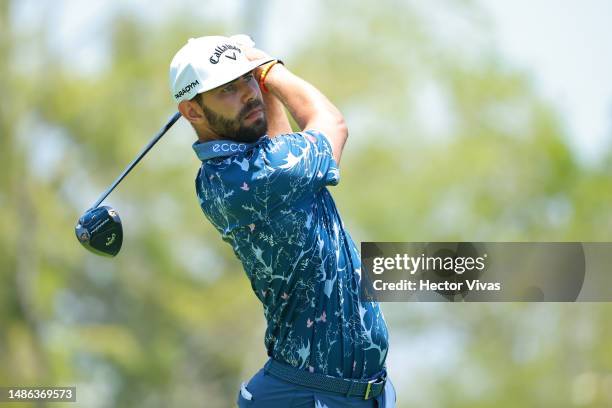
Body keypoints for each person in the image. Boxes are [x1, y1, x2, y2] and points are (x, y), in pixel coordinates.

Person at [169, 35, 395, 407]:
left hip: (344, 394)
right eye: (227, 89)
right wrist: (268, 67)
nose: (247, 93)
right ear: (192, 111)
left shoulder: (245, 168)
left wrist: (259, 84)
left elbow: (280, 143)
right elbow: (332, 125)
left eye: (246, 80)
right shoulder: (249, 178)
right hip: (308, 396)